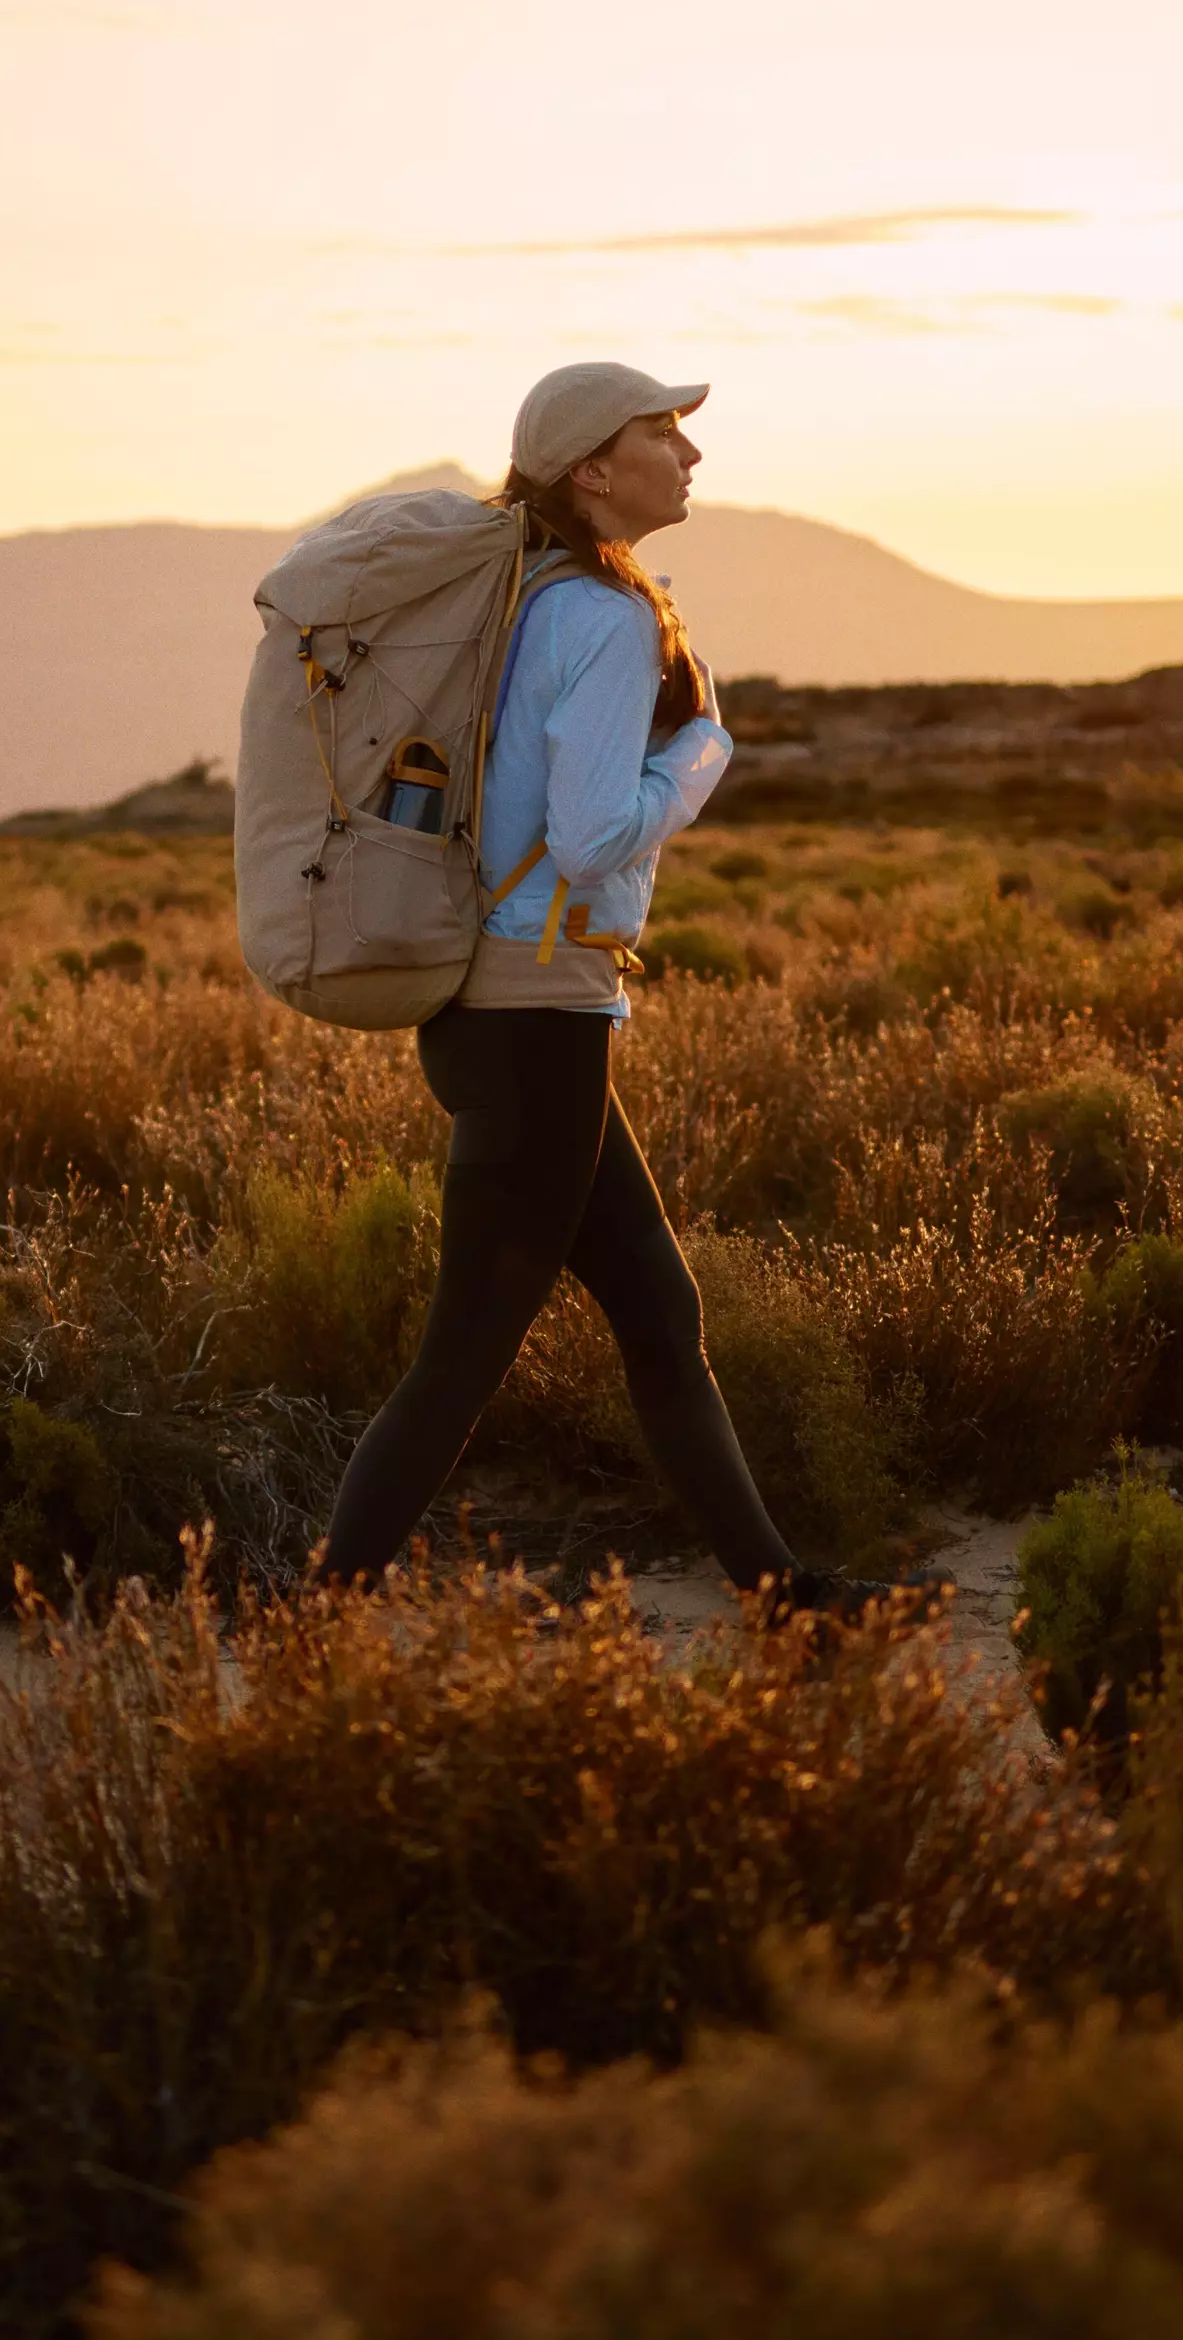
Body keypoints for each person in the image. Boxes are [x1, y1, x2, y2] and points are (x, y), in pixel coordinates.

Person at [316, 361, 883, 1608]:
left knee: (660, 1313)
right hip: (534, 1022)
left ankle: (783, 1599)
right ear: (591, 469)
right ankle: (314, 1623)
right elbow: (588, 837)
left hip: (510, 1011)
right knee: (464, 1357)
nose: (691, 456)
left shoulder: (532, 592)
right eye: (662, 434)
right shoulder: (608, 617)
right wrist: (699, 753)